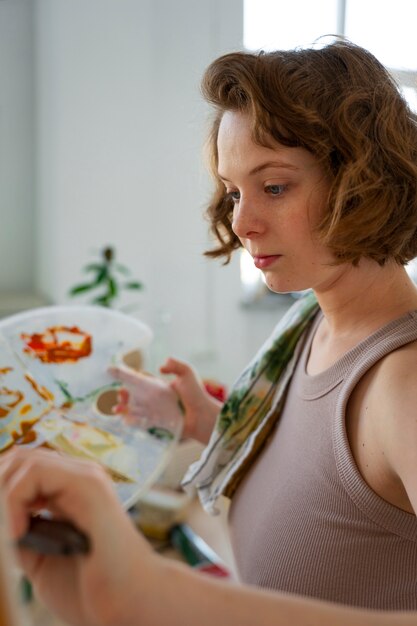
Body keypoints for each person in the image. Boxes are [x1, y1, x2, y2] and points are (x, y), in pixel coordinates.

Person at [2, 38, 417, 625]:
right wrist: (197, 423)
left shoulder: (405, 383)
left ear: (364, 178)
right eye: (233, 192)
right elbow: (329, 497)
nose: (243, 223)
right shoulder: (314, 322)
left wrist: (159, 595)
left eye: (274, 187)